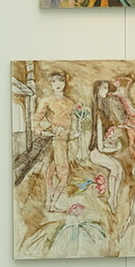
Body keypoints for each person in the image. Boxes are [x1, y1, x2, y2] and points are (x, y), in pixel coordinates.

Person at [32, 70, 80, 211]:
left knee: (55, 172)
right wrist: (44, 131)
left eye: (61, 80)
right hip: (54, 141)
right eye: (54, 81)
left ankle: (51, 203)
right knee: (59, 174)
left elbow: (73, 124)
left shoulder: (70, 103)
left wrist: (75, 131)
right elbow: (35, 121)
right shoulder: (46, 101)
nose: (58, 84)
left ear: (65, 82)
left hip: (66, 142)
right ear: (51, 84)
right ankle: (52, 203)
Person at [87, 80, 126, 213]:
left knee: (120, 169)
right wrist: (116, 148)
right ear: (97, 91)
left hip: (101, 151)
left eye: (107, 88)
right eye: (104, 88)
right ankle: (112, 198)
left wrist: (113, 140)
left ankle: (113, 197)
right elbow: (100, 147)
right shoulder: (98, 116)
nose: (107, 91)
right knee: (115, 168)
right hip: (96, 153)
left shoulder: (105, 111)